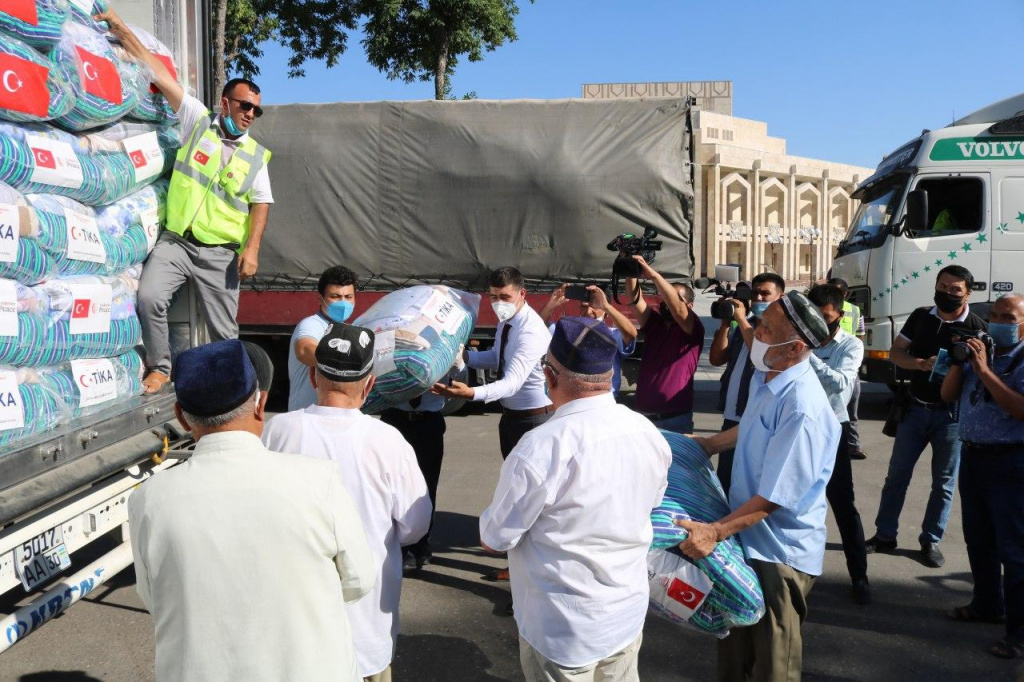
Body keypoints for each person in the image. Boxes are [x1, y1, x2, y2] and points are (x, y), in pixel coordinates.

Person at [128, 339, 377, 682]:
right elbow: (359, 581)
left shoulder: (150, 499)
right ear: (261, 404)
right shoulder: (319, 480)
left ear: (182, 418)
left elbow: (154, 596)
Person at [479, 317, 671, 682]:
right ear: (607, 375)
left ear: (549, 377)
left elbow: (495, 538)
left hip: (563, 628)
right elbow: (653, 504)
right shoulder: (648, 433)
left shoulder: (541, 448)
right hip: (625, 614)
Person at [100, 9, 274, 394]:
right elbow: (154, 71)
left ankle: (229, 392)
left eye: (256, 110)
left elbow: (262, 203)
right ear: (225, 103)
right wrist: (119, 25)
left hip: (220, 256)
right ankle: (160, 367)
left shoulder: (255, 155)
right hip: (176, 242)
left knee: (224, 332)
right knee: (148, 299)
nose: (250, 115)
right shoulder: (198, 120)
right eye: (244, 105)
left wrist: (252, 250)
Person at [679, 292, 839, 682]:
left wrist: (714, 532)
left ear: (796, 347)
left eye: (766, 327)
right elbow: (751, 426)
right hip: (743, 537)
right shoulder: (771, 375)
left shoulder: (803, 406)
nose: (754, 330)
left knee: (773, 665)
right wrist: (711, 444)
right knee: (732, 649)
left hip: (777, 551)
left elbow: (774, 499)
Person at [262, 324, 431, 682]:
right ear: (369, 383)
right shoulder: (389, 441)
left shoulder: (279, 431)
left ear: (312, 375)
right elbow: (416, 526)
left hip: (293, 629)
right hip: (366, 628)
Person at [433, 266, 552, 584]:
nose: (499, 302)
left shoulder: (531, 332)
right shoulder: (508, 323)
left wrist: (471, 393)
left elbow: (511, 382)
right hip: (513, 419)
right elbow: (498, 359)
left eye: (505, 297)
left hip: (533, 421)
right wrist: (465, 358)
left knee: (529, 500)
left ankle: (529, 570)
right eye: (493, 297)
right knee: (520, 496)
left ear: (522, 294)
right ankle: (523, 562)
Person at [867, 265, 987, 568]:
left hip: (952, 417)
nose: (947, 293)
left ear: (968, 293)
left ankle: (931, 540)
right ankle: (884, 535)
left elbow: (983, 377)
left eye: (955, 289)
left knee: (944, 483)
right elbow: (896, 352)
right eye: (942, 286)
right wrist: (919, 364)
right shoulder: (922, 316)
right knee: (896, 476)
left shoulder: (977, 327)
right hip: (914, 409)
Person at [940, 294, 1024, 660]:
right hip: (973, 458)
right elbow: (946, 395)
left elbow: (1019, 410)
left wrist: (986, 370)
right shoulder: (981, 352)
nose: (1000, 321)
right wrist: (961, 362)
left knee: (1015, 551)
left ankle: (1019, 634)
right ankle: (987, 604)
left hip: (1011, 463)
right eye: (995, 315)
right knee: (979, 539)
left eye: (1009, 316)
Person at [807, 284, 870, 605]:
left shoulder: (850, 346)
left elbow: (841, 385)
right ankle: (798, 573)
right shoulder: (799, 338)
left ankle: (859, 575)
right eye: (814, 317)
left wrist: (806, 356)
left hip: (833, 429)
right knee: (795, 503)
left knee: (843, 504)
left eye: (827, 317)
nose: (820, 323)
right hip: (799, 429)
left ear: (840, 316)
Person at [708, 272, 785, 494]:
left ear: (780, 297)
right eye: (755, 294)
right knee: (725, 482)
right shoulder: (745, 325)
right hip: (731, 416)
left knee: (747, 486)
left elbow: (762, 357)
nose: (759, 298)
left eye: (765, 294)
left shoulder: (780, 330)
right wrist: (725, 324)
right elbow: (716, 359)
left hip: (755, 419)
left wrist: (741, 319)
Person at [624, 255, 705, 433]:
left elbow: (677, 309)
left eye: (672, 297)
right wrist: (631, 271)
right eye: (664, 298)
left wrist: (654, 276)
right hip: (643, 419)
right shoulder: (654, 323)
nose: (665, 302)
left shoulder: (693, 328)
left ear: (690, 305)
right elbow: (634, 299)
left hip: (674, 420)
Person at [539, 283, 637, 399]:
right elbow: (538, 326)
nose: (589, 311)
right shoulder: (569, 331)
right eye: (584, 306)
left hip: (604, 401)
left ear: (605, 311)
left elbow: (631, 334)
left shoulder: (612, 334)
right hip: (573, 400)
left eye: (595, 306)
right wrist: (551, 305)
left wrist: (606, 306)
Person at [287, 266, 359, 411]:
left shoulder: (349, 330)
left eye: (348, 297)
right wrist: (342, 361)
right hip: (307, 418)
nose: (343, 303)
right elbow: (304, 349)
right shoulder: (312, 324)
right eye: (336, 296)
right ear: (320, 298)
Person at [829, 277, 868, 460]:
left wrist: (854, 360)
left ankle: (853, 446)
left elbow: (860, 335)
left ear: (846, 294)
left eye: (837, 292)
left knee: (851, 410)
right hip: (829, 362)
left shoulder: (854, 310)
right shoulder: (821, 308)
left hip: (848, 367)